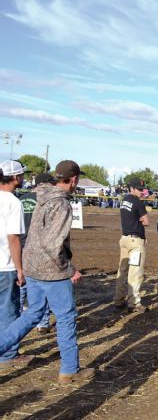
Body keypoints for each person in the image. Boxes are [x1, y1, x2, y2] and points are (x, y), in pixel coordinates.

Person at [0, 160, 95, 383]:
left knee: (33, 312)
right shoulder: (61, 205)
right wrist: (70, 269)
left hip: (32, 265)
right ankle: (70, 370)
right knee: (66, 317)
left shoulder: (39, 197)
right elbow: (53, 244)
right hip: (51, 270)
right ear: (73, 180)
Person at [0, 160, 33, 371]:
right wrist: (20, 269)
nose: (22, 178)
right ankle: (8, 354)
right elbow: (13, 238)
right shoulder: (13, 202)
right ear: (15, 178)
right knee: (9, 310)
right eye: (21, 175)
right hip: (5, 265)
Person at [18, 172, 57, 334]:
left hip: (19, 244)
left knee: (21, 284)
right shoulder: (45, 201)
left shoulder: (21, 199)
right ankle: (42, 322)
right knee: (41, 284)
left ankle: (17, 318)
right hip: (37, 246)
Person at [114, 179, 149, 313]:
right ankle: (134, 303)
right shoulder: (138, 202)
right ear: (132, 188)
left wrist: (135, 218)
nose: (142, 191)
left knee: (122, 271)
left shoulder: (124, 200)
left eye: (142, 189)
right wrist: (139, 219)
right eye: (139, 189)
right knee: (135, 272)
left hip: (124, 239)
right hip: (135, 242)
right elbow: (146, 221)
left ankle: (119, 299)